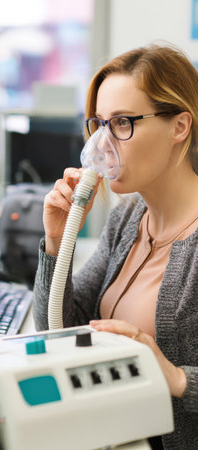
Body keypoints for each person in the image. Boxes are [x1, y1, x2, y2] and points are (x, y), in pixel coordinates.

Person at [33, 43, 198, 450]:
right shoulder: (127, 217)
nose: (102, 146)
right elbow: (59, 325)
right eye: (99, 124)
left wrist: (178, 379)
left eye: (123, 123)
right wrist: (56, 243)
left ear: (180, 126)